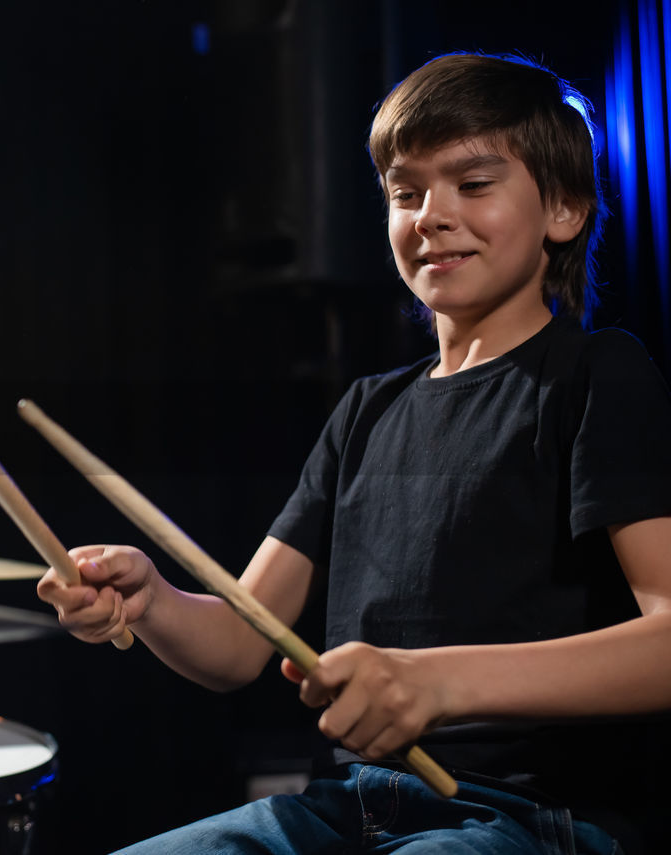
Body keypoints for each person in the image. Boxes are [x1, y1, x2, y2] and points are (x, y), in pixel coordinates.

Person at [38, 52, 671, 855]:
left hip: (529, 816)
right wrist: (151, 599)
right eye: (406, 193)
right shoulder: (368, 409)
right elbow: (242, 641)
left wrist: (435, 682)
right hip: (350, 807)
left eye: (473, 185)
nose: (431, 215)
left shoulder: (597, 375)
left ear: (566, 209)